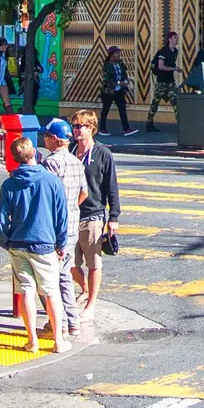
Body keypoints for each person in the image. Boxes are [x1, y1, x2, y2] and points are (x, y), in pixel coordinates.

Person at [0, 135, 69, 352]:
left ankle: (32, 340)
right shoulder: (51, 181)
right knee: (51, 291)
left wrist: (5, 240)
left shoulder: (9, 184)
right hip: (44, 243)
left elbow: (1, 217)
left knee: (26, 290)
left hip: (18, 242)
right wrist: (61, 243)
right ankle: (58, 340)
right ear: (35, 154)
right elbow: (61, 216)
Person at [37, 118, 87, 337]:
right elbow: (84, 192)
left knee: (49, 278)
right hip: (73, 224)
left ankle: (58, 322)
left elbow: (47, 195)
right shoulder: (76, 161)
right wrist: (71, 207)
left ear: (55, 139)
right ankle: (72, 320)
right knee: (64, 275)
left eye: (46, 136)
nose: (44, 140)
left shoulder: (51, 163)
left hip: (55, 228)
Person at [73, 110, 120, 317]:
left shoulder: (102, 154)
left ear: (91, 128)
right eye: (74, 125)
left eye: (79, 126)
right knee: (69, 263)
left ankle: (91, 304)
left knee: (93, 262)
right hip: (71, 214)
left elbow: (112, 187)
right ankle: (84, 288)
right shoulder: (71, 151)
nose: (75, 130)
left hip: (93, 214)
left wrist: (113, 217)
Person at [144, 36, 180, 131]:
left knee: (176, 103)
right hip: (161, 83)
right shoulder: (163, 52)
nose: (177, 39)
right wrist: (174, 69)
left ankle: (181, 126)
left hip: (171, 82)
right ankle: (149, 123)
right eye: (175, 37)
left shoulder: (175, 51)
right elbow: (160, 66)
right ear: (170, 39)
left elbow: (171, 64)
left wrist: (175, 68)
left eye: (177, 38)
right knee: (155, 103)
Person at [100, 46, 134, 135]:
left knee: (122, 109)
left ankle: (126, 129)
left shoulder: (120, 63)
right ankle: (102, 128)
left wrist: (125, 80)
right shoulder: (107, 65)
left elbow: (124, 73)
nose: (119, 55)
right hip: (108, 91)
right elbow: (106, 80)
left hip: (119, 91)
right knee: (106, 109)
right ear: (111, 55)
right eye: (116, 53)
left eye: (119, 53)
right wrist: (119, 82)